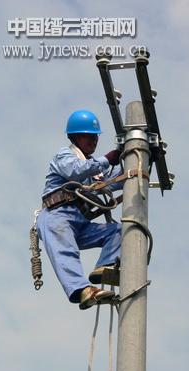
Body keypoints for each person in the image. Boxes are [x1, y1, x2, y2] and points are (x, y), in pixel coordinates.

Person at [36, 110, 123, 310]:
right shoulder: (65, 155)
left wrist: (143, 159)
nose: (93, 140)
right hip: (57, 215)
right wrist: (108, 159)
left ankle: (105, 267)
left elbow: (117, 180)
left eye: (95, 136)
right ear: (75, 136)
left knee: (119, 231)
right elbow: (76, 170)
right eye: (88, 135)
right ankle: (82, 290)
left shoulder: (96, 172)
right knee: (66, 252)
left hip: (80, 223)